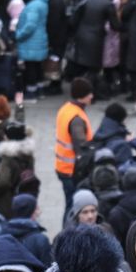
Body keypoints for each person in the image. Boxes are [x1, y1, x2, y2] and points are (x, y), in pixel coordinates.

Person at [55, 77, 96, 212]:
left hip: (63, 167)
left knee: (70, 204)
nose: (92, 96)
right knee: (73, 208)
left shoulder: (66, 109)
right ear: (82, 96)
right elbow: (81, 148)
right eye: (89, 93)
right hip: (72, 171)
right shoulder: (77, 119)